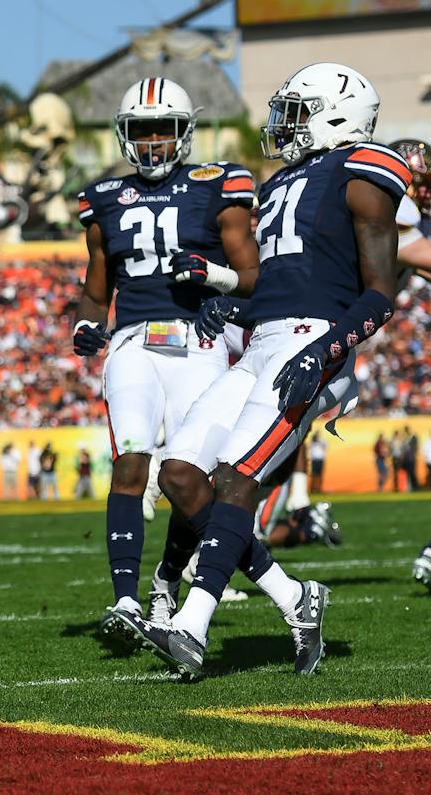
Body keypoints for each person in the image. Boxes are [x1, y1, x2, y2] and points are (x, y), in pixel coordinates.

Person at [116, 62, 407, 677]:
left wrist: (326, 352)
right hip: (259, 345)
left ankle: (191, 628)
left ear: (336, 112)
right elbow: (279, 284)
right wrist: (232, 299)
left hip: (311, 344)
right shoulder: (280, 183)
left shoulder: (365, 170)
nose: (285, 124)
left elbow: (381, 292)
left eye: (299, 110)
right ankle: (294, 596)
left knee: (238, 481)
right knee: (180, 475)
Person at [71, 76, 262, 649]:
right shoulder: (103, 197)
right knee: (129, 462)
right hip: (132, 341)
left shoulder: (219, 185)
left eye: (164, 129)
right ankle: (126, 599)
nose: (153, 142)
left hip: (198, 340)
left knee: (188, 477)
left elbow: (256, 279)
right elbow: (95, 284)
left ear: (185, 132)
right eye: (142, 131)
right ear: (124, 135)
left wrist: (215, 276)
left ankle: (166, 582)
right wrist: (86, 322)